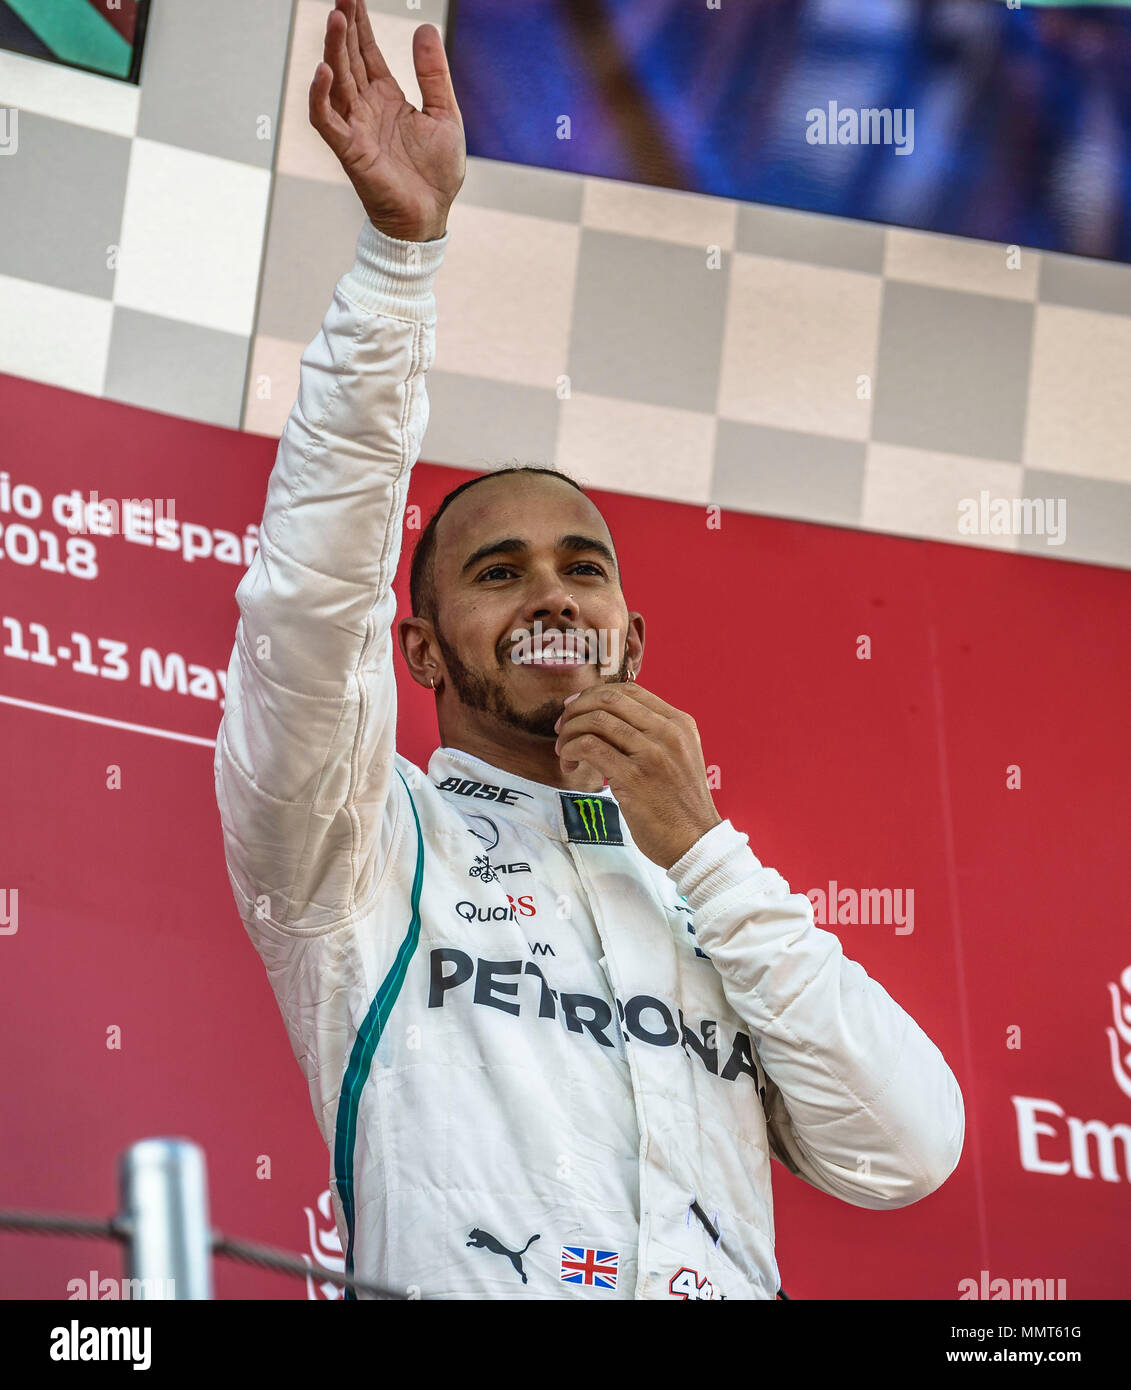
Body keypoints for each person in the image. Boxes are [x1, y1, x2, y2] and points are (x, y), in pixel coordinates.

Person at [214, 0, 964, 1301]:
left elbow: (910, 1147)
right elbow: (306, 605)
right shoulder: (361, 846)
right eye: (495, 573)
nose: (550, 593)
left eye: (584, 566)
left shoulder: (707, 894)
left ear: (633, 634)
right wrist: (402, 265)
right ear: (425, 652)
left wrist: (707, 848)